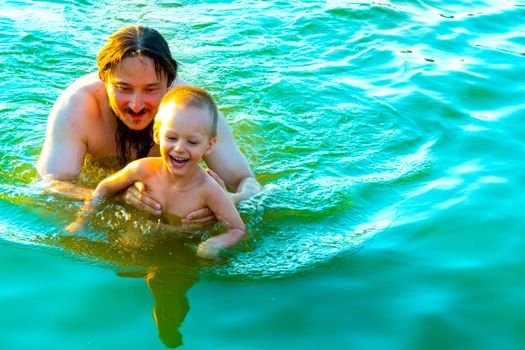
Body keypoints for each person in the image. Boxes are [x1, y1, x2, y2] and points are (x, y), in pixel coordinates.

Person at [36, 25, 260, 224]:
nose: (136, 105)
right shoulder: (77, 106)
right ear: (104, 81)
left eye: (151, 90)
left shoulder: (194, 113)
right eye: (124, 88)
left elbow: (248, 183)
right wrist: (118, 195)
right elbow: (50, 185)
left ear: (169, 84)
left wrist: (230, 201)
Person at [67, 86, 247, 259]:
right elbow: (104, 188)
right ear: (157, 134)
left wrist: (215, 243)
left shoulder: (208, 189)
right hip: (143, 235)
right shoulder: (142, 169)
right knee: (128, 244)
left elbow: (237, 229)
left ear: (209, 146)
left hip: (183, 246)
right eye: (171, 138)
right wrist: (82, 220)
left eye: (192, 142)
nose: (179, 148)